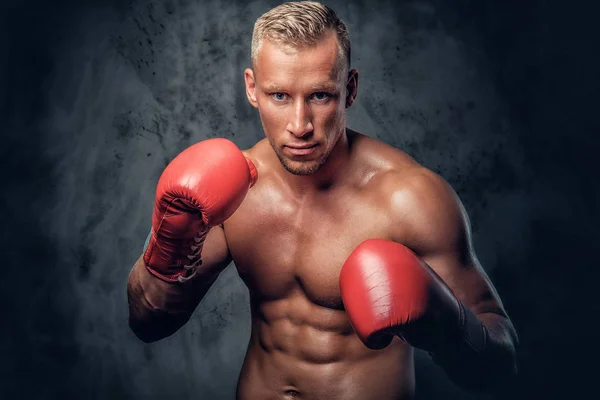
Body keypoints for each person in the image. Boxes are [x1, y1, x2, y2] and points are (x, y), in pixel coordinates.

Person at [126, 2, 519, 399]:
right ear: (251, 88)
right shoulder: (234, 190)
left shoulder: (409, 198)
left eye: (319, 96)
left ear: (349, 89)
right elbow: (148, 322)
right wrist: (167, 244)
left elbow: (500, 368)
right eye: (279, 95)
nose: (300, 125)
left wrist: (445, 326)